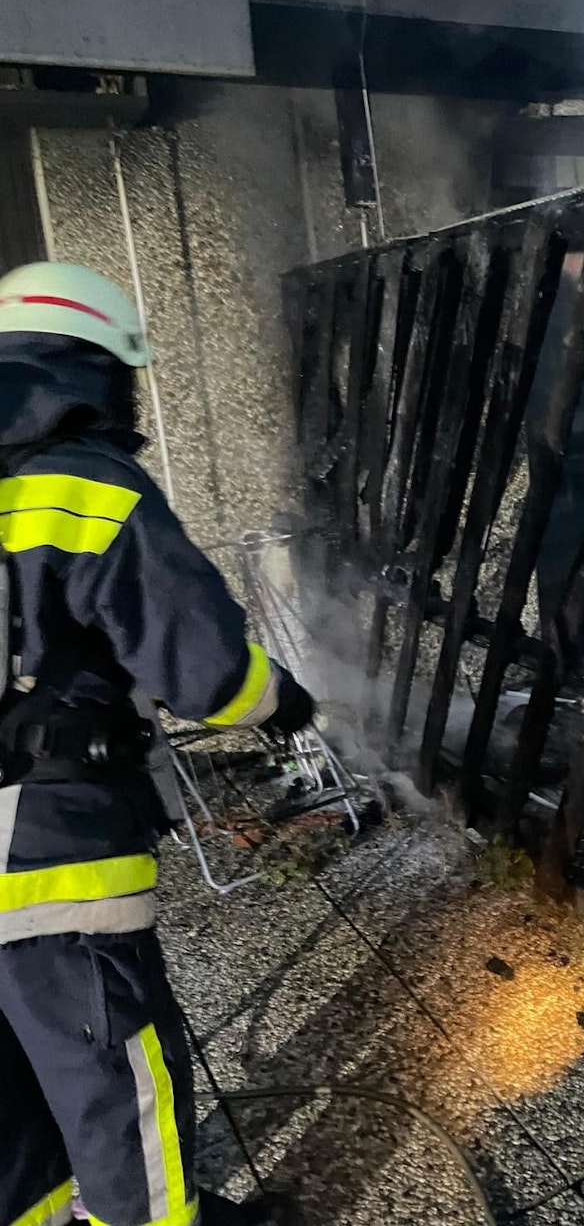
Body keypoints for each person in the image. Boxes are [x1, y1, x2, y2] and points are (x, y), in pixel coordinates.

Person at [0, 263, 313, 1226]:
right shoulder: (86, 486)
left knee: (13, 1098)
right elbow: (209, 670)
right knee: (116, 1077)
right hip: (45, 851)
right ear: (97, 368)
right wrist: (283, 702)